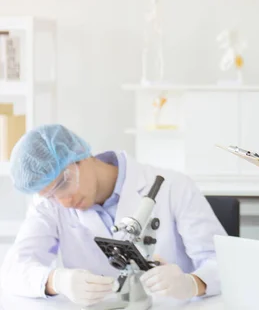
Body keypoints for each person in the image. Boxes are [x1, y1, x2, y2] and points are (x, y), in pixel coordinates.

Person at [0, 124, 227, 307]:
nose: (63, 201)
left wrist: (193, 283)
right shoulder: (49, 206)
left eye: (63, 184)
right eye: (50, 195)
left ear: (81, 156)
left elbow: (222, 264)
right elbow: (14, 268)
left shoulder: (174, 187)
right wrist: (56, 281)